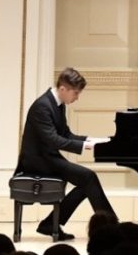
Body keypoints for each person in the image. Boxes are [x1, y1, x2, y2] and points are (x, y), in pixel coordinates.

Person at [16, 67, 116, 240]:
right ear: (63, 89)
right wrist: (86, 146)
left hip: (48, 158)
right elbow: (54, 140)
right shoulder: (42, 106)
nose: (77, 98)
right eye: (76, 93)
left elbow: (66, 135)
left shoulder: (57, 104)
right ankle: (112, 228)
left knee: (87, 181)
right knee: (88, 177)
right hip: (37, 161)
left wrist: (93, 140)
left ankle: (50, 224)